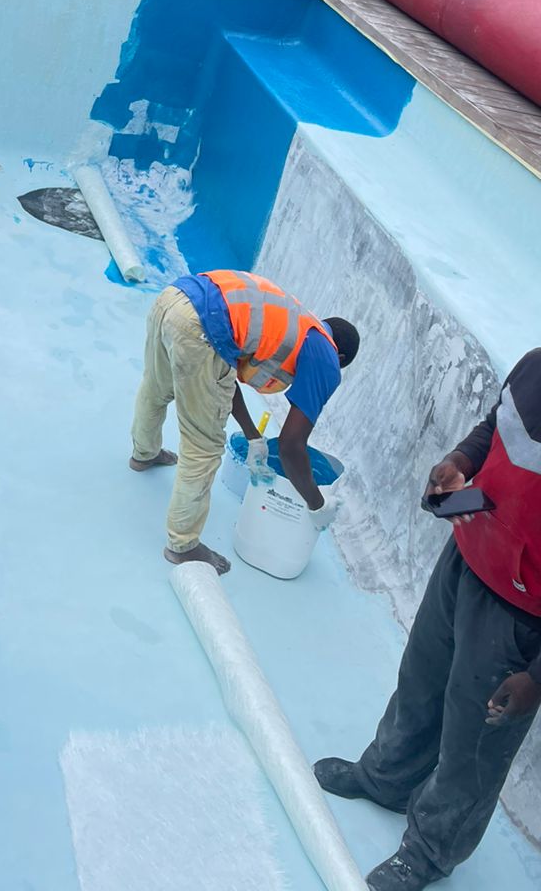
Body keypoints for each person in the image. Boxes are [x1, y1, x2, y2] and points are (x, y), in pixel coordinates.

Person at [314, 349, 541, 891]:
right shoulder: (535, 364)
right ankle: (387, 777)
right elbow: (495, 426)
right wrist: (461, 462)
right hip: (466, 555)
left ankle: (430, 852)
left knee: (474, 746)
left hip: (521, 613)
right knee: (420, 682)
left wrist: (537, 676)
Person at [129, 269, 360, 575]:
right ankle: (182, 545)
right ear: (340, 355)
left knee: (156, 388)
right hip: (199, 327)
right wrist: (317, 505)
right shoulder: (326, 358)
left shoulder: (291, 321)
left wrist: (254, 437)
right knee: (204, 447)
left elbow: (223, 374)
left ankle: (143, 454)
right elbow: (292, 446)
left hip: (175, 298)